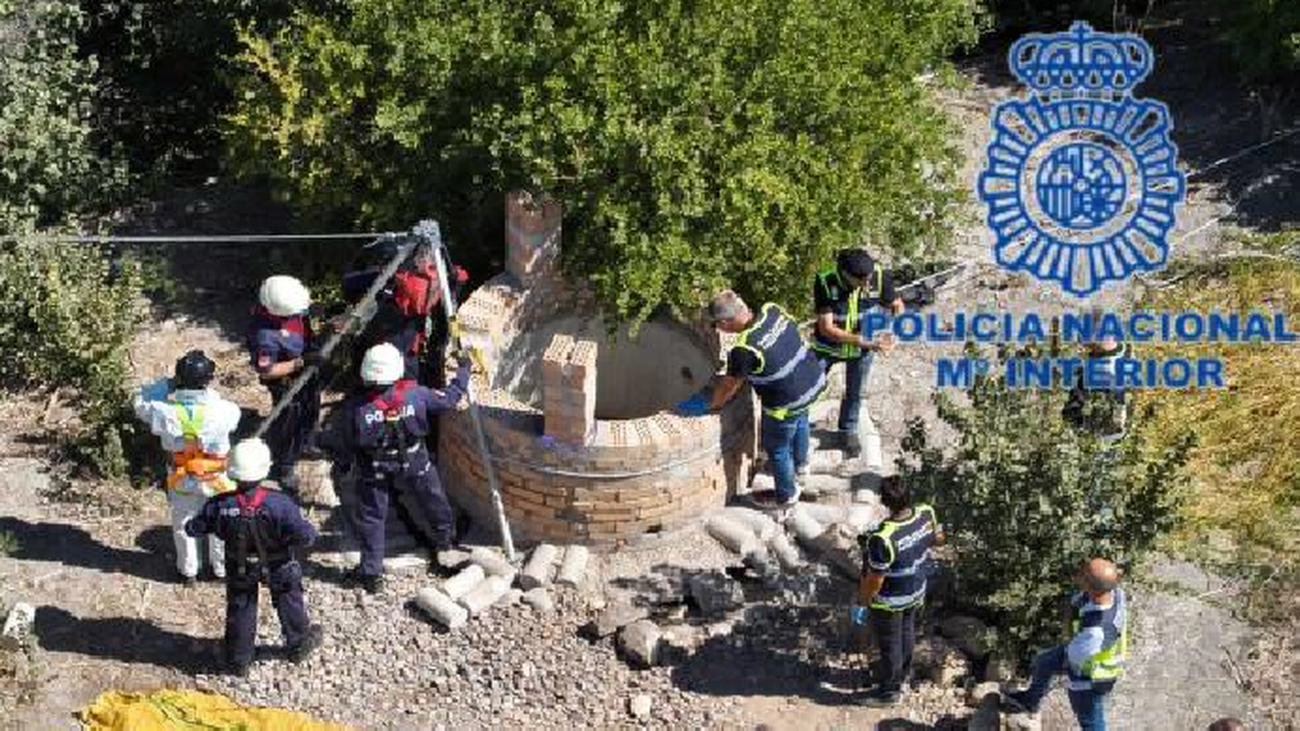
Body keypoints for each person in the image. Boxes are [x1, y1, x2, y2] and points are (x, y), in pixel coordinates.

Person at [322, 342, 470, 594]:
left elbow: (342, 444)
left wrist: (344, 465)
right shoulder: (417, 395)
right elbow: (449, 400)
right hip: (415, 461)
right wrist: (463, 371)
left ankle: (371, 573)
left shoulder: (354, 409)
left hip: (374, 467)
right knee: (433, 500)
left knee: (372, 517)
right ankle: (446, 542)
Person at [185, 438, 323, 676]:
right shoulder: (281, 504)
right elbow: (307, 536)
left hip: (240, 565)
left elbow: (193, 529)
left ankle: (239, 659)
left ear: (232, 472)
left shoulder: (219, 504)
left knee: (241, 607)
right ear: (265, 469)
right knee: (289, 599)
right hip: (279, 562)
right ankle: (298, 643)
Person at [683, 290, 827, 508]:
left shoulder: (744, 349)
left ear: (725, 322)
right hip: (811, 381)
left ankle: (787, 495)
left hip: (786, 402)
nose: (717, 330)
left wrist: (711, 405)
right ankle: (801, 465)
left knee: (777, 447)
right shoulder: (772, 310)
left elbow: (729, 388)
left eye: (716, 325)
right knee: (801, 422)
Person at [133, 350, 242, 585]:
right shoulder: (225, 410)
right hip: (217, 478)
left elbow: (139, 400)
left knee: (183, 524)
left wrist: (168, 384)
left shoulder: (163, 412)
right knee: (220, 524)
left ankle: (188, 571)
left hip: (182, 477)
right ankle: (220, 570)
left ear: (179, 378)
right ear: (208, 380)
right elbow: (234, 418)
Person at [1004, 558, 1129, 731]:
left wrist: (1068, 636)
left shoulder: (1096, 633)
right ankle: (1030, 701)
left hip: (1091, 677)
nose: (1079, 572)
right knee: (1045, 661)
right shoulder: (1115, 592)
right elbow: (1081, 601)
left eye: (1083, 574)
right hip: (1085, 652)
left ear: (1091, 587)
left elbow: (1074, 663)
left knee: (1091, 720)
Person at [855, 475, 945, 707]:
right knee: (907, 632)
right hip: (917, 589)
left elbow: (875, 580)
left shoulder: (883, 538)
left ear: (884, 502)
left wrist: (862, 602)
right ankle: (904, 675)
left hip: (890, 601)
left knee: (890, 644)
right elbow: (938, 539)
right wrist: (915, 544)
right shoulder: (926, 513)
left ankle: (889, 692)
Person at [810, 248, 904, 457]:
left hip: (863, 349)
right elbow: (826, 328)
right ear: (845, 274)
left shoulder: (878, 276)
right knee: (810, 385)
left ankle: (847, 432)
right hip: (828, 347)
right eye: (861, 281)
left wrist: (890, 332)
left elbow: (897, 305)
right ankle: (801, 428)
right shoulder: (826, 281)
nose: (866, 285)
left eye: (868, 280)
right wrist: (865, 341)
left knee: (856, 391)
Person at [248, 275, 321, 499]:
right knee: (290, 420)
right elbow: (266, 370)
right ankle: (285, 465)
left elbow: (305, 315)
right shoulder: (265, 336)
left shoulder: (288, 300)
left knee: (312, 406)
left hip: (306, 367)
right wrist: (299, 363)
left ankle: (307, 442)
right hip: (286, 381)